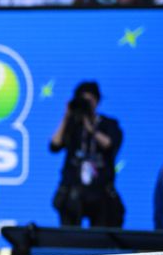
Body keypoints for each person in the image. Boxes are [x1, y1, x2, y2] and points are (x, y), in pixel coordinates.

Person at [49, 81, 125, 227]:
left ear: (97, 101)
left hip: (100, 191)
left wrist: (91, 128)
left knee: (102, 233)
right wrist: (67, 117)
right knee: (69, 236)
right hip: (73, 191)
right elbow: (54, 145)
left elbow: (110, 144)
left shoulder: (108, 124)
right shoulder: (73, 125)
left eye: (89, 100)